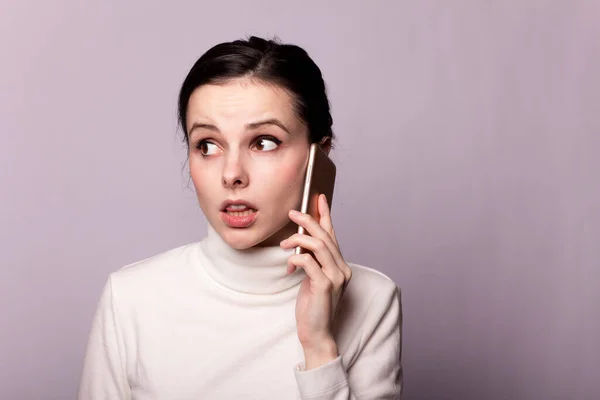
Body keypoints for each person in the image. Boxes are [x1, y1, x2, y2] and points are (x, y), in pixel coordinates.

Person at [78, 36, 403, 399]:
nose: (231, 174)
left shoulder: (372, 300)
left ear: (320, 155)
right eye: (208, 145)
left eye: (264, 142)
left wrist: (319, 348)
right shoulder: (130, 298)